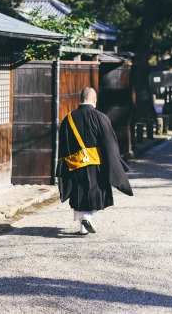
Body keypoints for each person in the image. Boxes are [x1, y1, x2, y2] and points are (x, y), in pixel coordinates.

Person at [56, 87, 133, 235]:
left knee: (79, 193)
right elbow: (110, 143)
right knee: (95, 193)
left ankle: (83, 227)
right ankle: (87, 216)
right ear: (94, 99)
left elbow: (64, 144)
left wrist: (64, 165)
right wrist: (114, 160)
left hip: (76, 164)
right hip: (97, 163)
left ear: (80, 98)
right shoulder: (100, 117)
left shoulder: (69, 118)